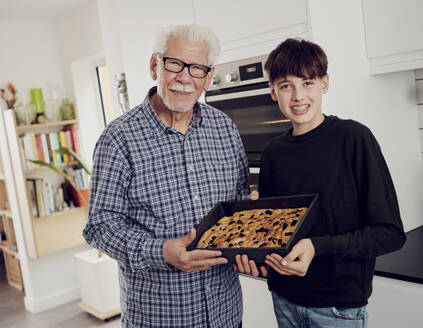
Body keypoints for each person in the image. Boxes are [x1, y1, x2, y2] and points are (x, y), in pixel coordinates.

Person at [83, 24, 256, 328]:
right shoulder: (118, 139)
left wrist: (250, 216)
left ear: (208, 75)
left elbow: (239, 199)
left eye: (197, 68)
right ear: (155, 65)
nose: (185, 77)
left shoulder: (225, 128)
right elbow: (99, 226)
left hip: (226, 314)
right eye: (175, 63)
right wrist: (160, 252)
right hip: (159, 318)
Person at [235, 38, 406, 328]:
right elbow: (278, 232)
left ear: (324, 83)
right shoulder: (274, 152)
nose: (298, 96)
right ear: (273, 92)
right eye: (287, 85)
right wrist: (257, 256)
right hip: (284, 299)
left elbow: (389, 233)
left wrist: (317, 246)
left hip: (337, 308)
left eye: (308, 83)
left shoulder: (354, 138)